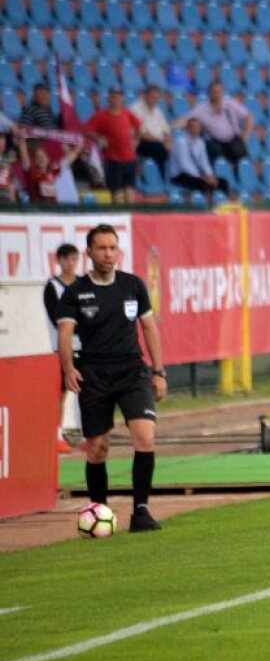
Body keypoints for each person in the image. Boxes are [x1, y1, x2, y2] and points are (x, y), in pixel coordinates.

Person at [55, 224, 168, 533]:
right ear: (88, 253)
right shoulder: (75, 292)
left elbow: (149, 328)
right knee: (98, 448)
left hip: (132, 371)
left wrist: (158, 371)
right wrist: (68, 370)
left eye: (113, 248)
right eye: (102, 248)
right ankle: (98, 511)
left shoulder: (133, 285)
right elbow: (65, 334)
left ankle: (141, 511)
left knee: (145, 436)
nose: (109, 254)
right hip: (93, 373)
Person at [44, 243, 81, 454]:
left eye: (74, 259)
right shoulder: (52, 287)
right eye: (66, 259)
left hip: (84, 345)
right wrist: (71, 328)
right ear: (58, 261)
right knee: (61, 392)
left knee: (85, 391)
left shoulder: (83, 285)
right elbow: (54, 315)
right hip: (61, 347)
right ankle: (56, 435)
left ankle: (84, 433)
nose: (70, 263)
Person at [84, 89, 141, 204]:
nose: (116, 100)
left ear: (122, 99)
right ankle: (117, 217)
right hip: (113, 159)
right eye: (113, 97)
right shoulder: (101, 115)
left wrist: (135, 139)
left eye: (118, 97)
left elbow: (138, 125)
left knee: (129, 189)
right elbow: (87, 130)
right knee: (115, 192)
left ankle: (130, 214)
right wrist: (99, 137)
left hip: (129, 158)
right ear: (109, 99)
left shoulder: (127, 113)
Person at [184, 82, 252, 166]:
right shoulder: (201, 109)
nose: (217, 95)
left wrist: (245, 135)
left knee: (243, 162)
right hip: (215, 144)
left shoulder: (230, 104)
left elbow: (249, 117)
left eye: (219, 92)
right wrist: (171, 126)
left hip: (233, 140)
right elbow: (186, 120)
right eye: (214, 92)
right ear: (209, 93)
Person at [168, 117, 230, 203]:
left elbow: (204, 162)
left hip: (196, 174)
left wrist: (210, 175)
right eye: (194, 127)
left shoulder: (200, 142)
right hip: (179, 175)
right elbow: (184, 165)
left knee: (223, 182)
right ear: (187, 128)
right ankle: (204, 207)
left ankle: (223, 205)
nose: (196, 129)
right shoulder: (181, 142)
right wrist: (202, 177)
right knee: (202, 184)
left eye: (198, 127)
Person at [17, 134, 82, 204]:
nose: (41, 159)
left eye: (43, 156)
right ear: (34, 161)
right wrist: (22, 142)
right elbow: (25, 157)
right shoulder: (31, 173)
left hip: (53, 211)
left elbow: (68, 159)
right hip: (38, 211)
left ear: (48, 159)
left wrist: (79, 144)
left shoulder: (53, 172)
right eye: (38, 157)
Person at [130, 85, 172, 178]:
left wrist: (168, 141)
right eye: (152, 97)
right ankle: (161, 178)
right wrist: (161, 141)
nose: (155, 100)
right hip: (141, 143)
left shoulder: (157, 110)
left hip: (157, 142)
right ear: (145, 95)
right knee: (159, 148)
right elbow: (141, 134)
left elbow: (166, 130)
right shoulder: (135, 109)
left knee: (176, 148)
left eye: (157, 98)